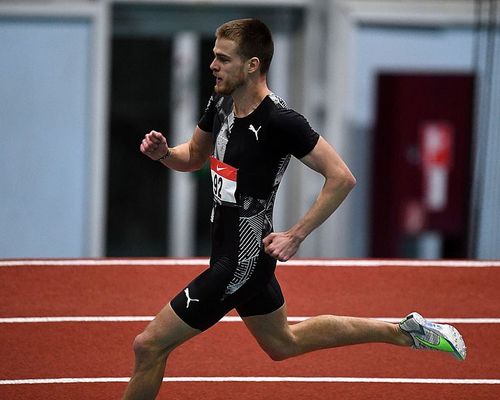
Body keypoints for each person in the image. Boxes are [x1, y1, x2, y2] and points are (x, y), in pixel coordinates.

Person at [123, 18, 466, 400]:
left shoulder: (280, 121)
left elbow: (342, 177)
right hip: (228, 251)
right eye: (213, 57)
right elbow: (194, 156)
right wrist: (164, 155)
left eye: (222, 58)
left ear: (252, 64)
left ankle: (404, 332)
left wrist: (295, 234)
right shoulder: (219, 102)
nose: (212, 66)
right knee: (284, 343)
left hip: (242, 261)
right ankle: (404, 332)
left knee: (148, 345)